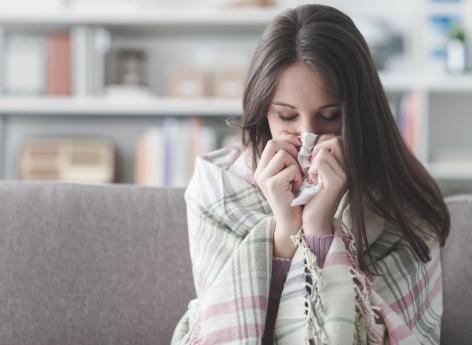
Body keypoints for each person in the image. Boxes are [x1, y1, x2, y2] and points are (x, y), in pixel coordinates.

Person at [171, 4, 450, 344]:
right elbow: (228, 328)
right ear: (263, 113)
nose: (308, 137)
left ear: (359, 114)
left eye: (330, 116)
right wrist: (285, 230)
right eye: (287, 117)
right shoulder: (218, 188)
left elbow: (399, 334)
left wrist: (319, 228)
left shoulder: (400, 200)